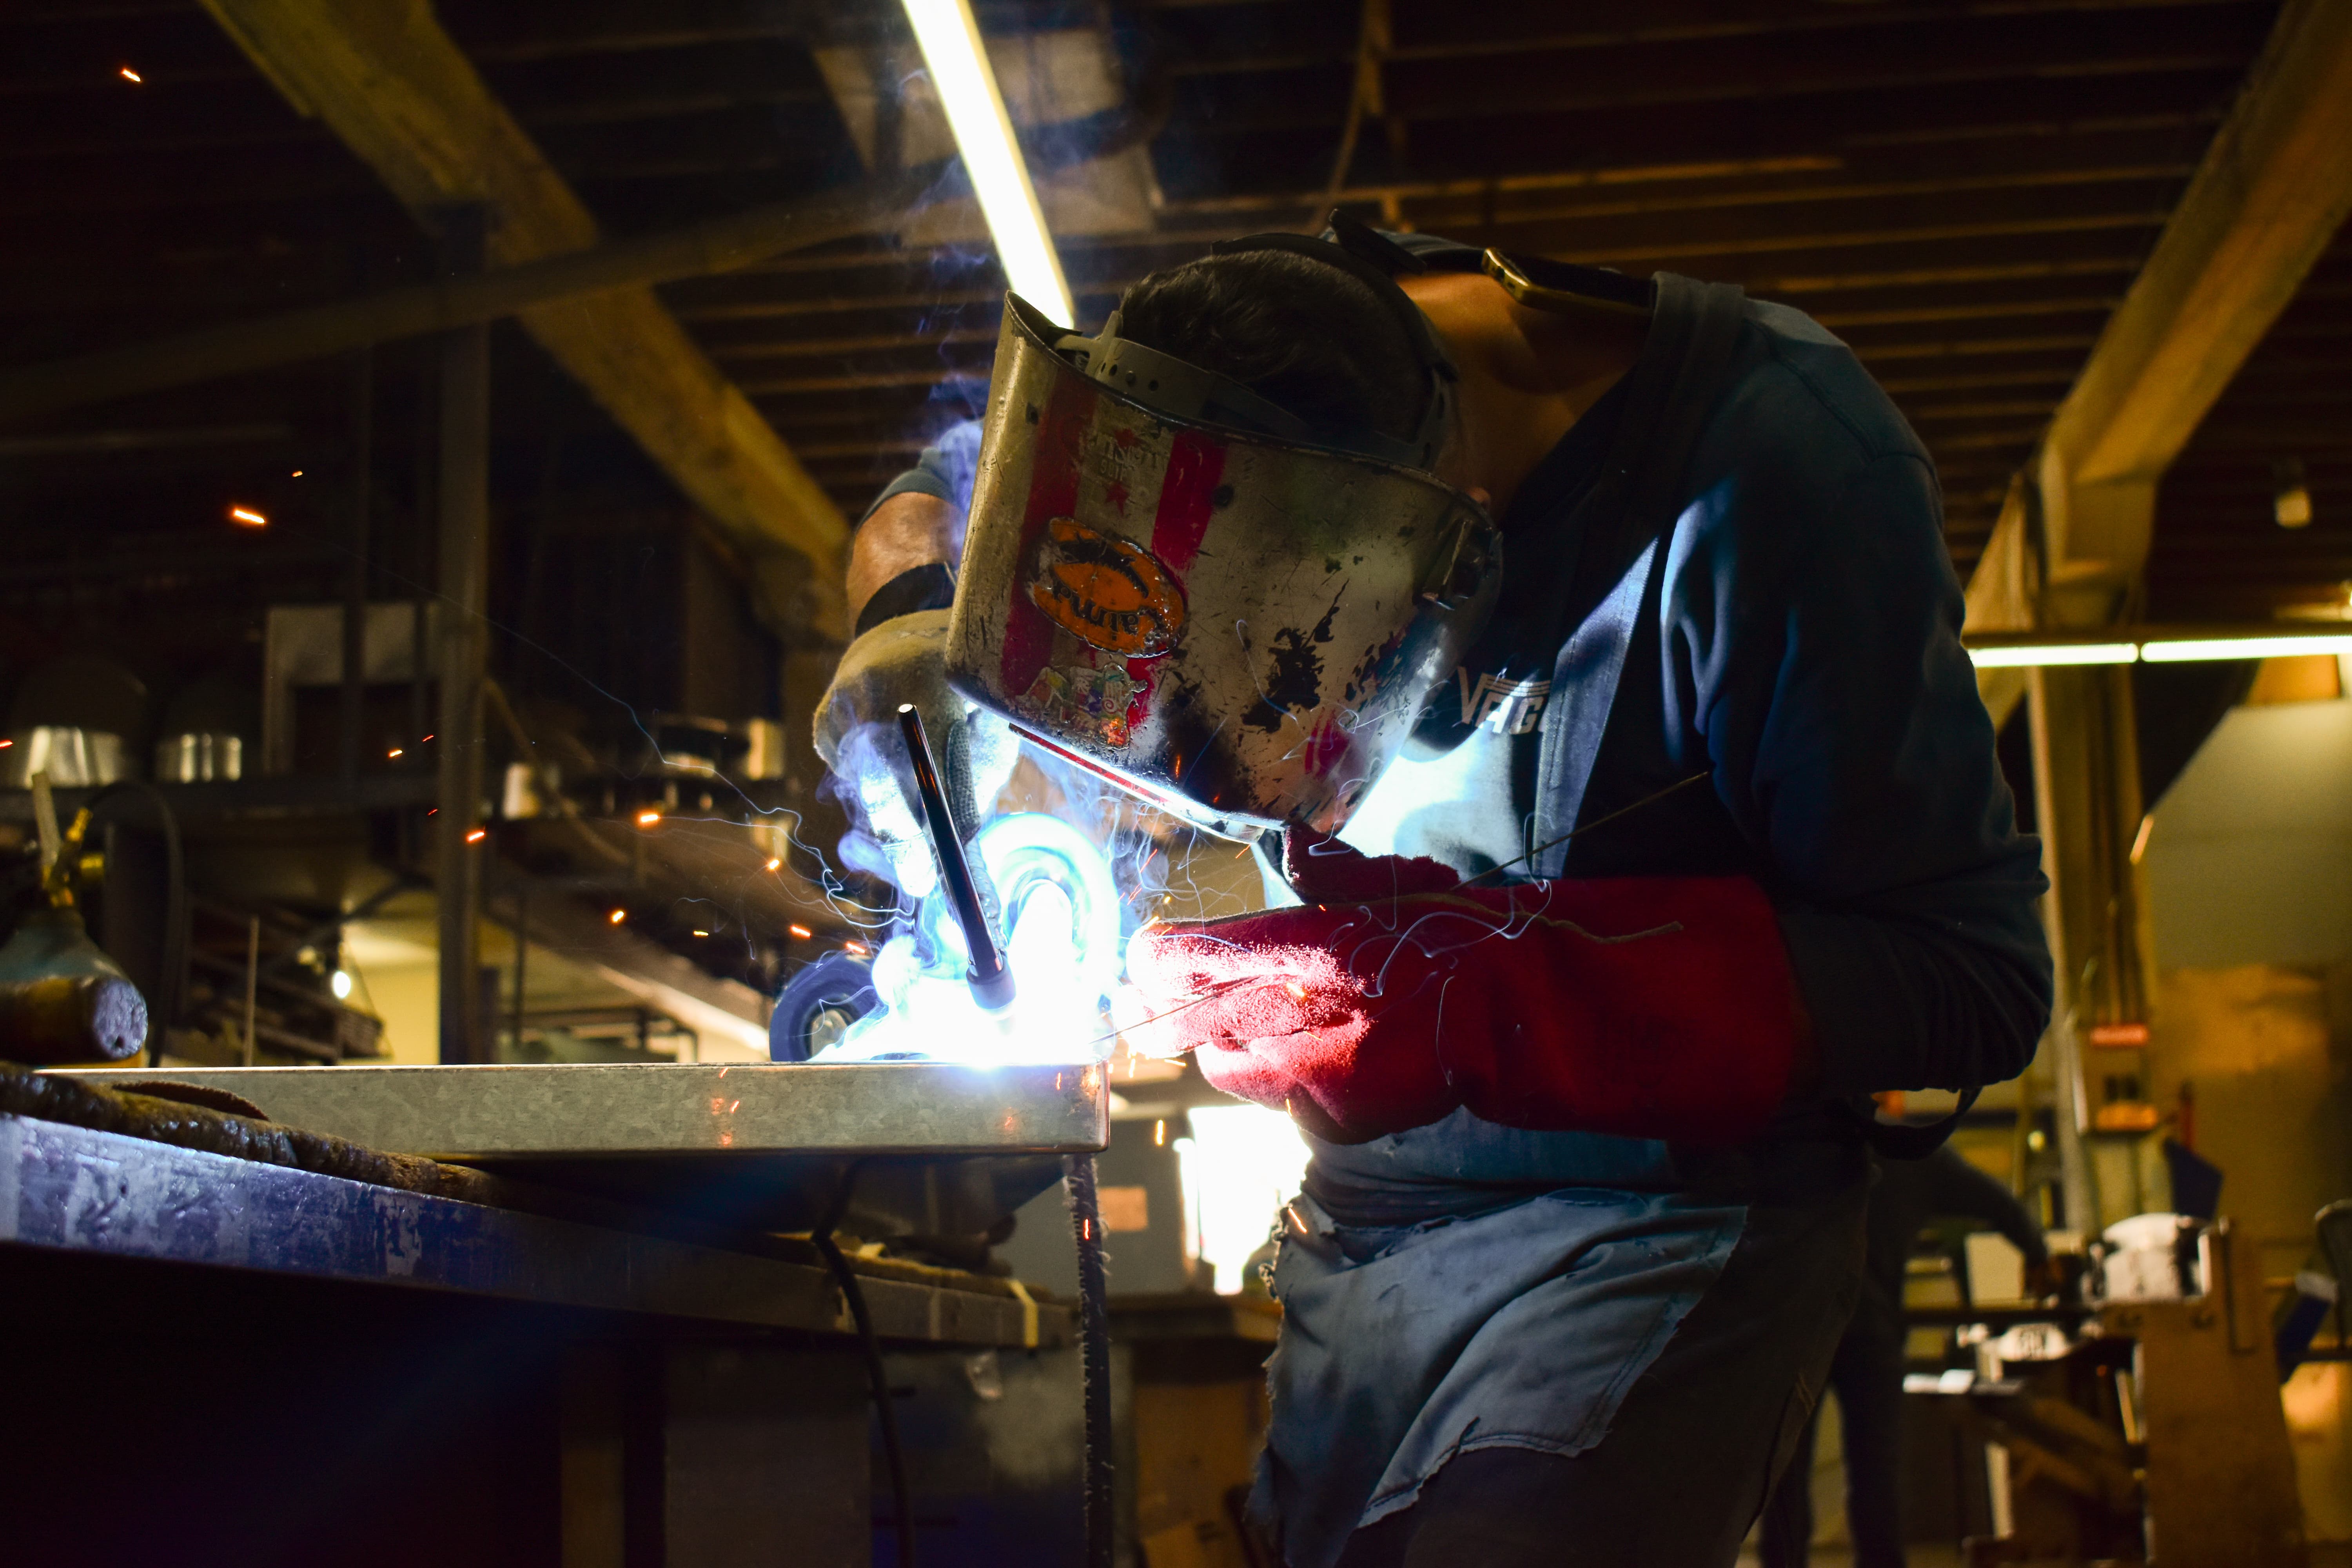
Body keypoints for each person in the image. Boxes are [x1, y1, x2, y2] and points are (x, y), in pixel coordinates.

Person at [821, 219, 2053, 1566]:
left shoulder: (1783, 474)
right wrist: (924, 613)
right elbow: (920, 509)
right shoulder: (1265, 365)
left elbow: (1971, 980)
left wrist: (1475, 1003)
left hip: (1658, 1225)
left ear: (1439, 534)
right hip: (1372, 1233)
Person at [1759, 1143, 2056, 1568]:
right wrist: (2038, 1254)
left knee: (1786, 1473)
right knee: (1876, 1472)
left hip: (1798, 1335)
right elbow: (1998, 1203)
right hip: (1873, 1333)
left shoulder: (1799, 1144)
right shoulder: (1911, 1156)